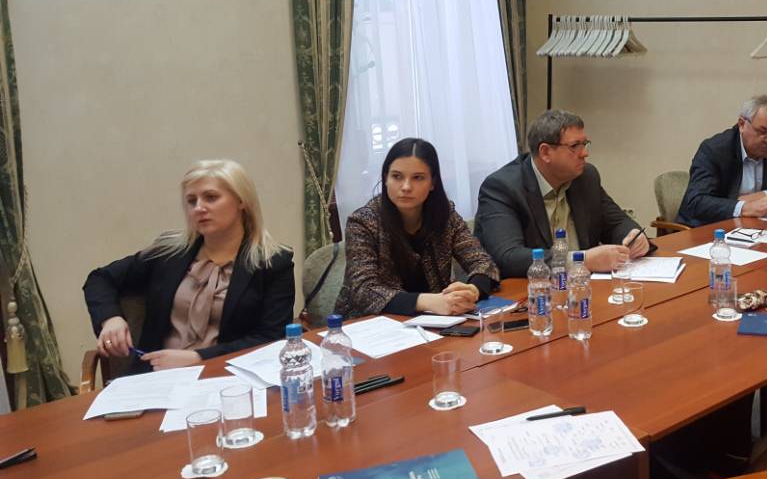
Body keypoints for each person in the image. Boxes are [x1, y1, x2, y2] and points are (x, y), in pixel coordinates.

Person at [84, 160, 294, 372]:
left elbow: (271, 338)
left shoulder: (273, 263)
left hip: (228, 375)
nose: (199, 208)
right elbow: (100, 278)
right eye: (191, 201)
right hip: (155, 376)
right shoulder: (167, 253)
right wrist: (111, 319)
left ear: (241, 201)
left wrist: (199, 357)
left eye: (211, 197)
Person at [335, 138, 500, 317]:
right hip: (370, 324)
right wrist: (428, 301)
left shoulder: (445, 215)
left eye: (418, 178)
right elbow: (363, 290)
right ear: (385, 179)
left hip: (435, 322)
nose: (406, 187)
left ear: (433, 183)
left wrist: (473, 290)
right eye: (397, 176)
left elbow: (483, 263)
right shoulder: (363, 222)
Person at [474, 110, 647, 278]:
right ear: (545, 152)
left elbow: (616, 223)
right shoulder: (502, 187)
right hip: (531, 290)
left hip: (582, 286)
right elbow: (508, 257)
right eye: (575, 146)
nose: (585, 153)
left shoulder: (585, 177)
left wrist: (633, 235)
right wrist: (582, 260)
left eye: (585, 144)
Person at [675, 95, 767, 227]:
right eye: (762, 132)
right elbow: (696, 201)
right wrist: (744, 207)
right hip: (709, 230)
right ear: (742, 124)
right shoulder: (715, 149)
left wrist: (764, 195)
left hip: (755, 230)